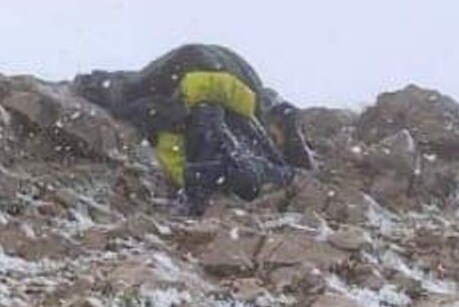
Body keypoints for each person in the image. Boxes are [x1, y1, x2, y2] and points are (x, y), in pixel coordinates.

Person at [75, 44, 316, 213]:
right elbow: (177, 153)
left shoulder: (244, 117)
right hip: (201, 69)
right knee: (130, 94)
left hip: (205, 66)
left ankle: (95, 84)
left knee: (130, 91)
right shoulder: (248, 118)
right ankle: (96, 85)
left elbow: (177, 151)